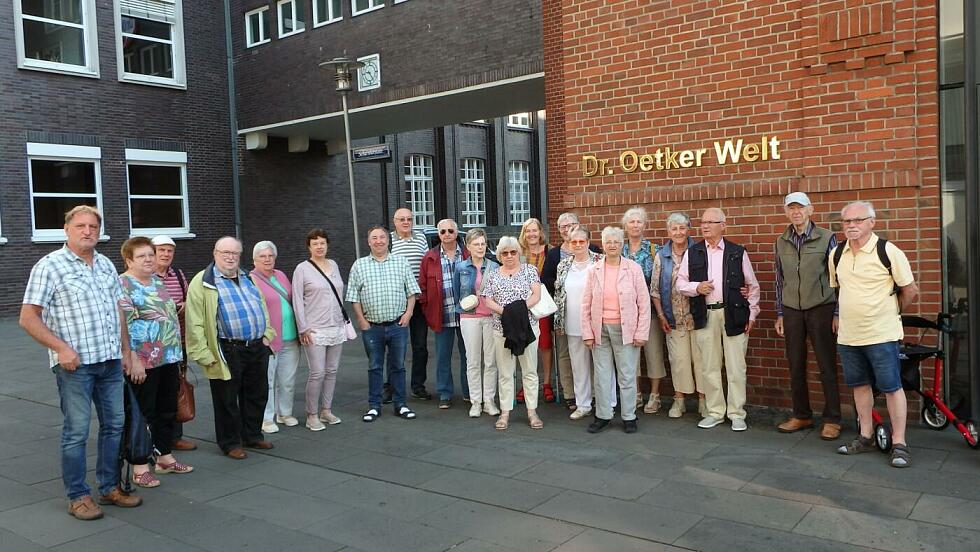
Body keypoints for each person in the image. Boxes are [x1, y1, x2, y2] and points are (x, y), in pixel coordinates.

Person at [20, 205, 142, 520]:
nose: (87, 231)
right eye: (80, 226)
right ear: (67, 229)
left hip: (110, 362)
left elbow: (119, 311)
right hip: (75, 367)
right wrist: (61, 348)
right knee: (76, 431)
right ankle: (78, 495)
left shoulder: (105, 266)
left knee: (114, 426)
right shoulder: (49, 266)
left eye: (93, 226)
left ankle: (109, 486)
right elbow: (27, 317)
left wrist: (126, 351)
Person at [832, 201, 918, 467]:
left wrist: (889, 314)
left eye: (858, 220)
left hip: (881, 335)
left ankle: (900, 443)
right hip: (849, 335)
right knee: (859, 386)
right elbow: (839, 291)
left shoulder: (888, 251)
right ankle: (866, 435)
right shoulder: (836, 254)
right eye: (847, 221)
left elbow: (910, 290)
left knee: (892, 387)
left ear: (872, 222)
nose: (852, 225)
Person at [185, 237, 276, 459]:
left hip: (256, 346)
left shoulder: (247, 278)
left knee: (257, 394)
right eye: (225, 252)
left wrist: (267, 334)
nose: (230, 257)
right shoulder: (203, 281)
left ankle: (252, 435)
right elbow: (194, 320)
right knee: (226, 399)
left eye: (234, 253)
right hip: (227, 349)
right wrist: (203, 354)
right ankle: (230, 442)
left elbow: (261, 306)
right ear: (215, 253)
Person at [118, 237, 194, 488]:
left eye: (151, 255)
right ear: (129, 260)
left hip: (168, 357)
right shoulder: (122, 285)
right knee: (142, 413)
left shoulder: (157, 283)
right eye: (142, 256)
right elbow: (123, 327)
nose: (149, 259)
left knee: (166, 409)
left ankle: (164, 457)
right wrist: (132, 359)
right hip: (143, 362)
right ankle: (139, 465)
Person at [677, 208, 761, 432]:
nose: (705, 226)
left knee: (736, 367)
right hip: (705, 314)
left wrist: (752, 314)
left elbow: (752, 286)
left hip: (733, 314)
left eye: (711, 222)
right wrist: (697, 287)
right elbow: (680, 283)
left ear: (723, 225)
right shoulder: (693, 252)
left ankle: (736, 413)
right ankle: (715, 412)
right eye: (703, 222)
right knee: (709, 367)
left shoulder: (737, 252)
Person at [774, 192, 843, 440]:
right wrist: (780, 312)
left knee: (826, 365)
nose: (796, 212)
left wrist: (837, 312)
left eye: (800, 208)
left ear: (810, 210)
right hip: (792, 309)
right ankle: (801, 414)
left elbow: (838, 278)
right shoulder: (781, 240)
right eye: (791, 208)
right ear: (786, 212)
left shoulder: (827, 238)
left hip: (821, 307)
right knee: (795, 364)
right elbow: (779, 280)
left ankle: (833, 418)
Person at [347, 226, 421, 423]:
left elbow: (411, 292)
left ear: (388, 241)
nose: (378, 241)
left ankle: (401, 404)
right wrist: (361, 320)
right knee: (374, 366)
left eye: (382, 237)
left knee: (398, 366)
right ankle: (374, 406)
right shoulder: (359, 265)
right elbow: (354, 296)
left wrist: (408, 313)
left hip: (398, 325)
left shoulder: (401, 262)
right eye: (374, 238)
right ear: (368, 242)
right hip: (372, 327)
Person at [581, 227, 650, 434]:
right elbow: (586, 303)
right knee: (601, 375)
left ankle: (629, 416)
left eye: (616, 242)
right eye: (608, 241)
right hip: (599, 328)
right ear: (603, 244)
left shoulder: (633, 268)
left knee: (627, 374)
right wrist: (587, 333)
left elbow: (644, 303)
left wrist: (641, 332)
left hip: (625, 329)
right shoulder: (594, 270)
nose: (612, 245)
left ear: (622, 244)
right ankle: (603, 415)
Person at [481, 236, 544, 430]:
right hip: (502, 330)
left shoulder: (529, 270)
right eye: (505, 253)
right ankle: (505, 412)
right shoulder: (492, 275)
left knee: (530, 371)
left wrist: (517, 310)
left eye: (513, 252)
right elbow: (487, 300)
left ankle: (532, 411)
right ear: (499, 255)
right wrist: (507, 313)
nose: (509, 256)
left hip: (527, 328)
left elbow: (537, 294)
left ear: (519, 253)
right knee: (505, 372)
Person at [651, 213, 706, 418]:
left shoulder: (700, 252)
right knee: (679, 360)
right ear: (668, 231)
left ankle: (703, 400)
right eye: (674, 229)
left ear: (689, 229)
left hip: (697, 317)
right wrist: (661, 315)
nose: (678, 232)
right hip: (673, 318)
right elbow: (655, 290)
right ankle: (679, 400)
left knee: (701, 360)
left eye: (682, 228)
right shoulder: (661, 255)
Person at [292, 229, 348, 430]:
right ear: (309, 247)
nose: (319, 247)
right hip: (314, 329)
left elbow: (339, 292)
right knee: (317, 372)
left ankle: (326, 410)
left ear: (328, 245)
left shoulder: (333, 265)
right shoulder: (302, 269)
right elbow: (297, 299)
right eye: (315, 244)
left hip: (336, 326)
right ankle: (311, 414)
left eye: (322, 243)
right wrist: (303, 328)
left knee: (332, 371)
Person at [541, 212, 597, 409]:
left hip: (592, 317)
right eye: (562, 227)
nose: (567, 229)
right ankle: (571, 394)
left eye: (570, 224)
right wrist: (559, 285)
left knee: (594, 357)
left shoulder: (596, 254)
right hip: (564, 314)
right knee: (567, 355)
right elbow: (545, 280)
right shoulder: (556, 256)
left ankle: (596, 395)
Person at [151, 235, 196, 451]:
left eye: (170, 251)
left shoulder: (178, 275)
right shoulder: (144, 277)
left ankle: (174, 436)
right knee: (153, 391)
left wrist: (186, 304)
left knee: (176, 388)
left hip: (178, 344)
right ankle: (151, 437)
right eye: (162, 250)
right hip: (152, 346)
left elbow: (190, 299)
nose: (166, 255)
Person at [419, 218, 470, 409]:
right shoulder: (429, 257)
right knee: (442, 356)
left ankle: (469, 392)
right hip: (442, 315)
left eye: (450, 231)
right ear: (438, 234)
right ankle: (445, 393)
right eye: (443, 232)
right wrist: (428, 310)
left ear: (456, 233)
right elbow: (422, 288)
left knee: (468, 356)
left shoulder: (467, 254)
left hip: (466, 315)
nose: (447, 234)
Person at [251, 241, 301, 435]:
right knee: (267, 380)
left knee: (287, 379)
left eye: (270, 256)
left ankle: (285, 413)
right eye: (262, 256)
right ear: (254, 259)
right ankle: (266, 417)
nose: (267, 259)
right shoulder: (251, 279)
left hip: (290, 336)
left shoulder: (280, 275)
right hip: (269, 339)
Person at [622, 207, 668, 414]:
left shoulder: (653, 250)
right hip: (625, 313)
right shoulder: (619, 250)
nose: (635, 225)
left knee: (653, 352)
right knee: (631, 355)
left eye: (639, 221)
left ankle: (655, 395)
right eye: (631, 222)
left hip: (649, 310)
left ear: (645, 225)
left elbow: (659, 282)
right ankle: (636, 393)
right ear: (625, 226)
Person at [553, 225, 601, 420]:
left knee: (601, 364)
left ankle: (606, 404)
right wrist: (558, 323)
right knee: (578, 366)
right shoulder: (563, 265)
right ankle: (583, 404)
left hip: (597, 323)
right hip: (572, 322)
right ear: (569, 244)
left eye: (582, 241)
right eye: (574, 242)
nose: (578, 245)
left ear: (588, 243)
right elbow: (559, 295)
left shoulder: (600, 261)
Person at [453, 228, 501, 418]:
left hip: (490, 317)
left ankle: (489, 400)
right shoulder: (461, 268)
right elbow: (458, 294)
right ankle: (475, 401)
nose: (480, 247)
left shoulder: (495, 267)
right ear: (468, 246)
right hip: (469, 318)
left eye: (482, 243)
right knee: (472, 361)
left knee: (491, 361)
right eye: (476, 244)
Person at [389, 207, 432, 401]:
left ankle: (418, 385)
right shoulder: (388, 240)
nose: (406, 222)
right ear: (394, 221)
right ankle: (390, 387)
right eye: (402, 219)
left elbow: (426, 266)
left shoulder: (421, 238)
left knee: (420, 345)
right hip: (397, 301)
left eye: (409, 219)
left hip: (419, 300)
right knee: (395, 346)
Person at [519, 218, 555, 404]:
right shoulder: (519, 252)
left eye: (534, 230)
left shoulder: (550, 251)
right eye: (527, 231)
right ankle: (527, 383)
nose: (531, 234)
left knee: (545, 345)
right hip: (523, 304)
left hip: (543, 304)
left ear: (540, 232)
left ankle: (547, 382)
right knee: (525, 344)